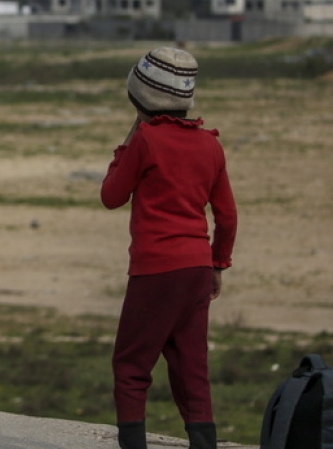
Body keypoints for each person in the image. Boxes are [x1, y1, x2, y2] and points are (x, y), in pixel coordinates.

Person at [100, 47, 238, 449]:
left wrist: (127, 142)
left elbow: (111, 195)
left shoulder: (146, 142)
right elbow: (227, 216)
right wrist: (218, 264)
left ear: (138, 98)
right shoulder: (211, 145)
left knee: (130, 365)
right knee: (191, 365)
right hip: (197, 268)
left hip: (155, 269)